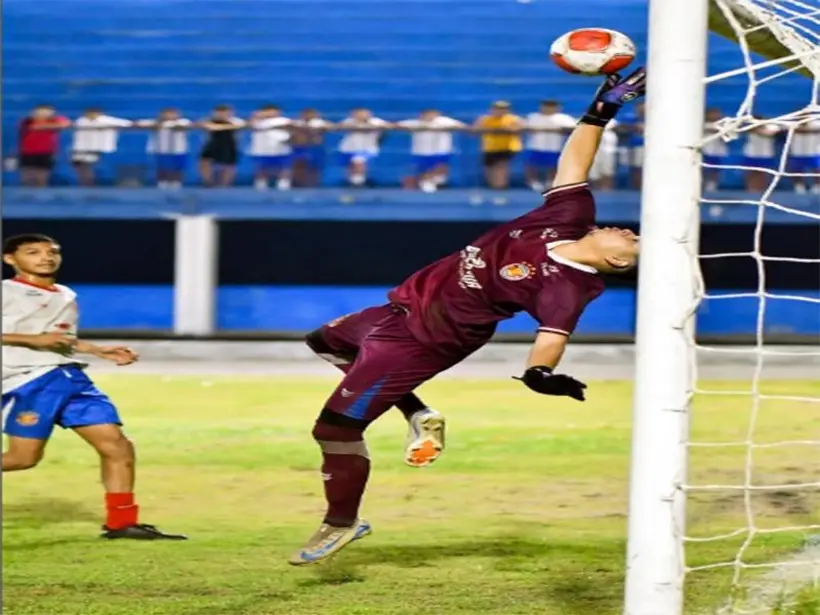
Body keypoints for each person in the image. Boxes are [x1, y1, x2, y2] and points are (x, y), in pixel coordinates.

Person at [290, 68, 646, 566]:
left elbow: (551, 335)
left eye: (629, 240)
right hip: (398, 308)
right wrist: (601, 110)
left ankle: (342, 522)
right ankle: (419, 414)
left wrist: (540, 373)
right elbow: (574, 162)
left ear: (617, 263)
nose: (626, 230)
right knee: (324, 342)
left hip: (421, 339)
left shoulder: (569, 286)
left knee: (334, 431)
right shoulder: (566, 218)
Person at [1, 234, 186, 541]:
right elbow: (38, 339)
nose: (46, 257)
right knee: (23, 459)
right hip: (27, 381)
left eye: (52, 252)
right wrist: (32, 340)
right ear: (10, 259)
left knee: (117, 446)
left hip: (70, 378)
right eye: (33, 252)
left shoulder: (65, 295)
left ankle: (122, 523)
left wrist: (98, 350)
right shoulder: (6, 291)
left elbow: (59, 339)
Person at [474, 101, 524, 189]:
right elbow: (476, 129)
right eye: (497, 108)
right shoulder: (485, 119)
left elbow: (520, 128)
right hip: (490, 147)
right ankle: (492, 185)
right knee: (489, 167)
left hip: (507, 147)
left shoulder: (513, 119)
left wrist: (508, 130)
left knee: (501, 166)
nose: (500, 111)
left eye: (503, 109)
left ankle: (501, 185)